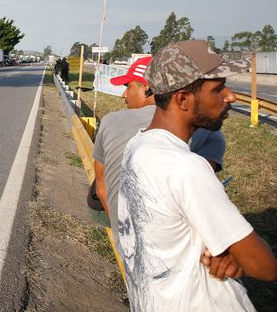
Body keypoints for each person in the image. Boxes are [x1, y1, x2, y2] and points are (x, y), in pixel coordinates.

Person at [117, 40, 276, 310]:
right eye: (217, 89)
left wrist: (231, 252)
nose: (230, 97)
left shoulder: (137, 145)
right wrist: (241, 255)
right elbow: (265, 267)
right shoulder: (187, 167)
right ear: (183, 99)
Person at [93, 56, 227, 252]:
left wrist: (122, 231)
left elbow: (101, 189)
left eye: (128, 86)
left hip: (126, 246)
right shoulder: (208, 131)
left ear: (147, 88)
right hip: (181, 250)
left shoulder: (110, 121)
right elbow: (204, 201)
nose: (124, 94)